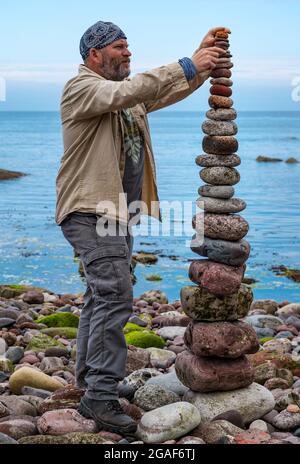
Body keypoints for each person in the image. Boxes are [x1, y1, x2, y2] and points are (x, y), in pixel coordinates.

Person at [55, 20, 229, 436]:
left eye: (129, 47)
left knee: (102, 296)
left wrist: (203, 64)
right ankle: (100, 395)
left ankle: (88, 384)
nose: (128, 53)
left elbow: (160, 90)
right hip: (89, 210)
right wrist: (187, 63)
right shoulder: (82, 88)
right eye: (119, 47)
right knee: (115, 293)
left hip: (117, 212)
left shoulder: (124, 98)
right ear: (94, 55)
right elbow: (131, 90)